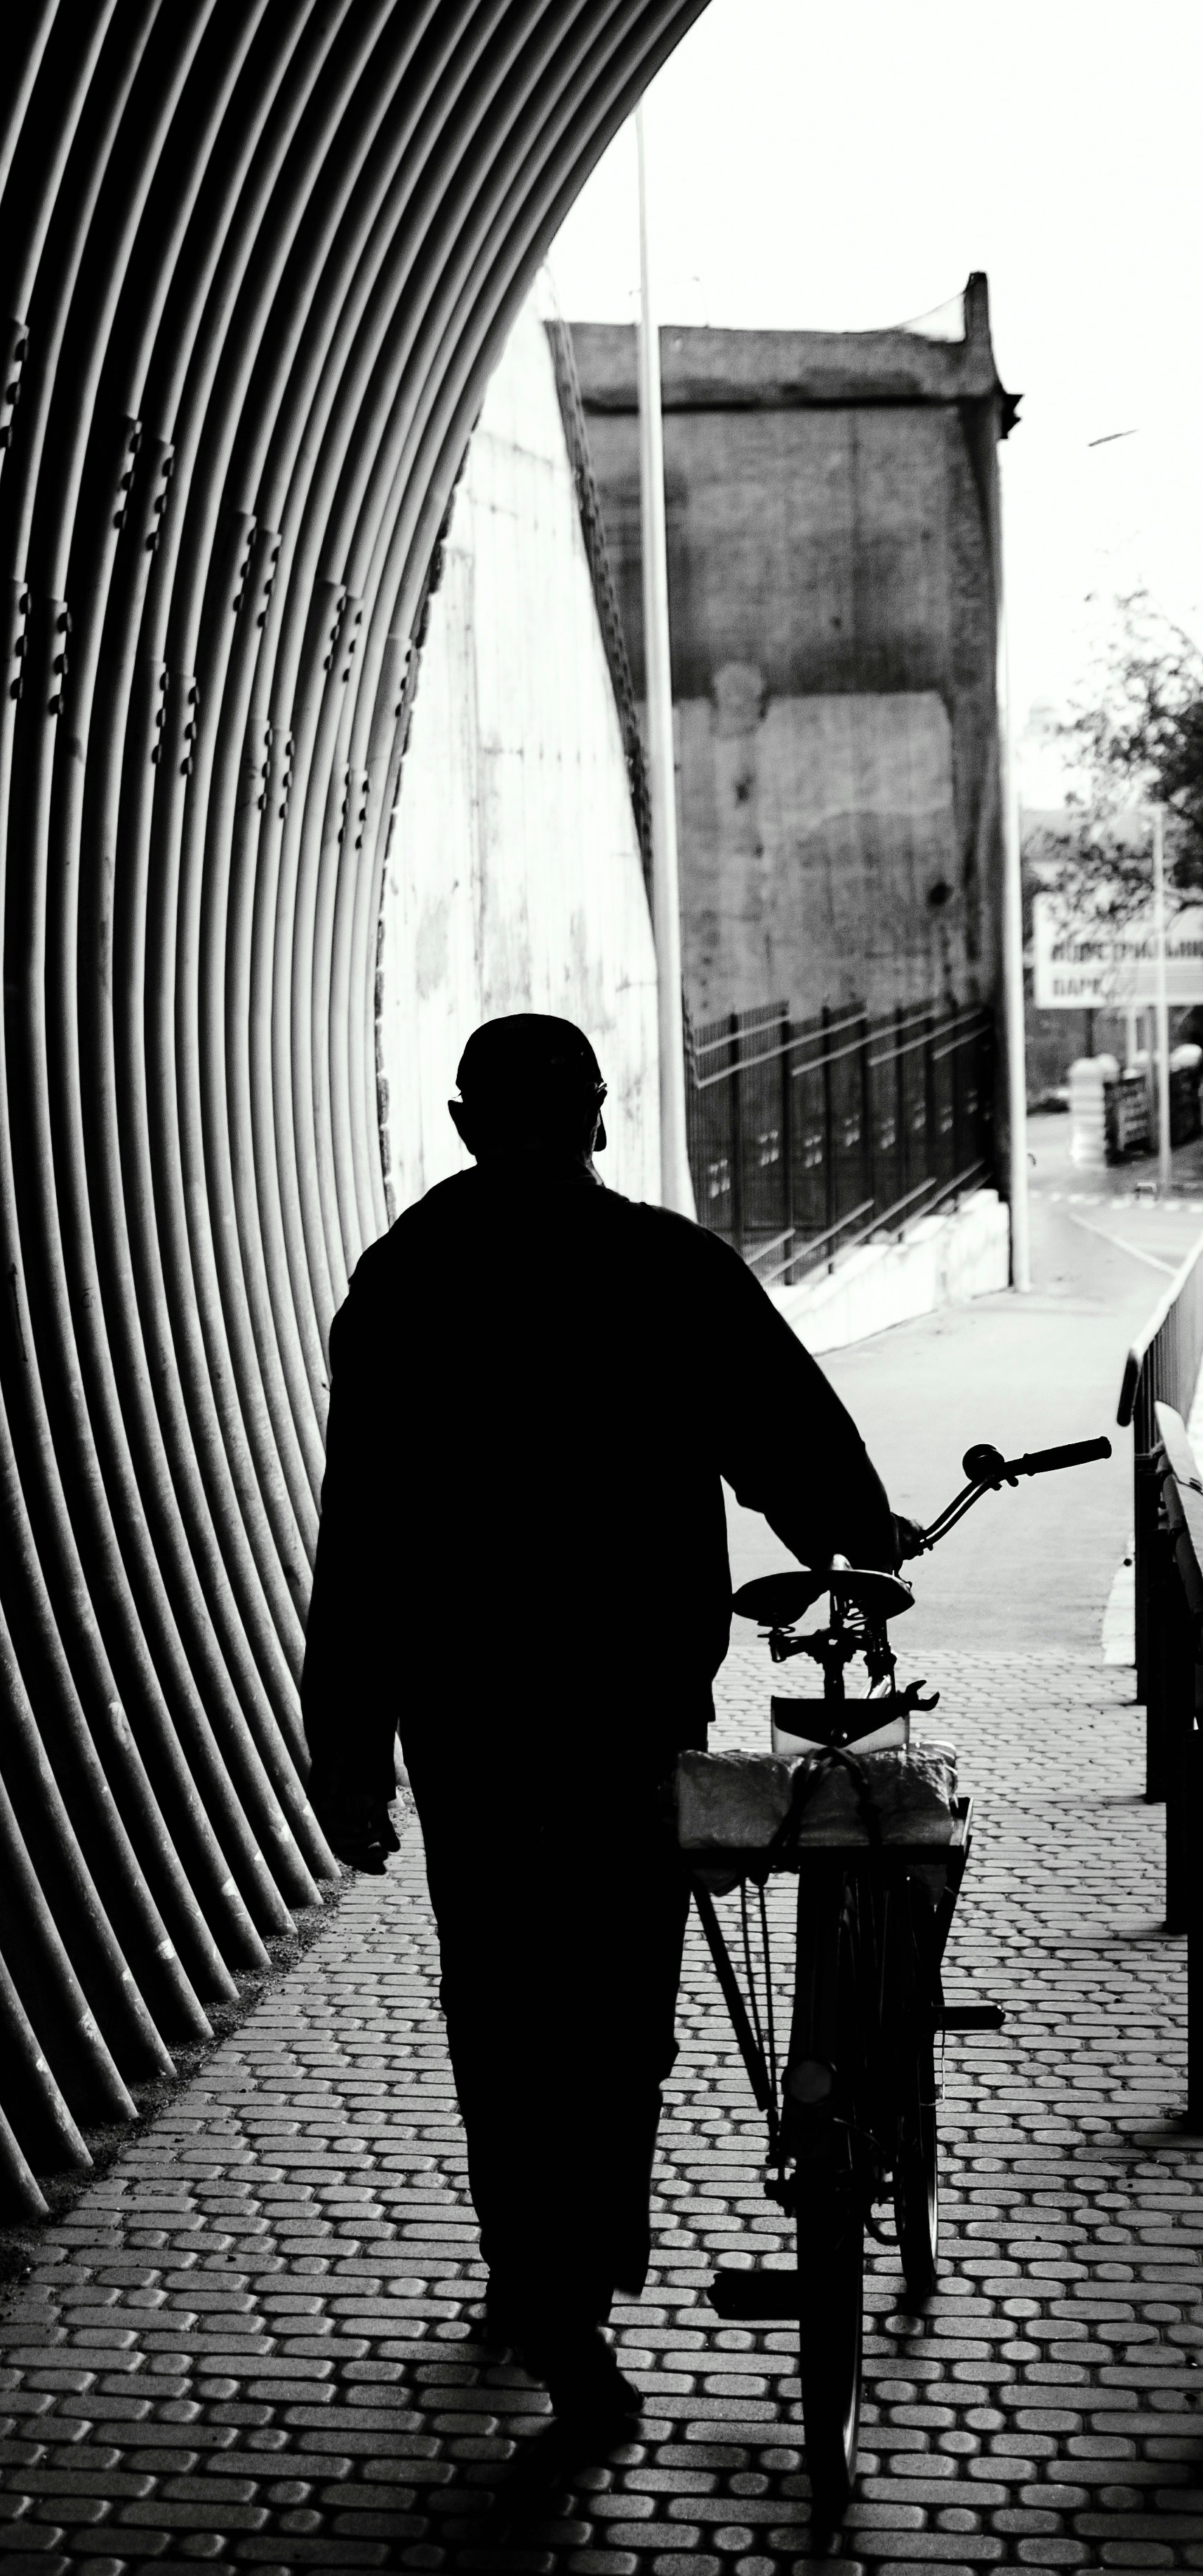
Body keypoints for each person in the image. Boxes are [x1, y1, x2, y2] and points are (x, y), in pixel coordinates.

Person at [300, 1012, 903, 2466]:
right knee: (616, 2012)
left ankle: (534, 2275)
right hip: (631, 1714)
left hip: (466, 1723)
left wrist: (349, 1745)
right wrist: (860, 1538)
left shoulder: (403, 1280)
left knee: (502, 2001)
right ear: (600, 1116)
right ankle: (572, 2303)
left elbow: (361, 1530)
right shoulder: (666, 1268)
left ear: (462, 1124)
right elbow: (789, 1440)